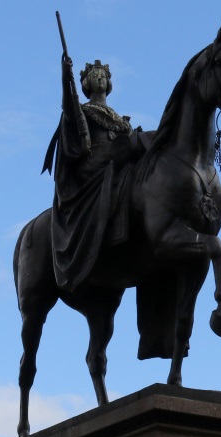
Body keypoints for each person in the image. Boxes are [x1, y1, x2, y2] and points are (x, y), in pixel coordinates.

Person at [43, 56, 142, 290]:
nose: (99, 77)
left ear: (108, 83)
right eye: (93, 75)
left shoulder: (119, 117)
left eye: (103, 75)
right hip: (94, 167)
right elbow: (68, 109)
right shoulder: (82, 110)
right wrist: (65, 78)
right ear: (86, 84)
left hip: (116, 162)